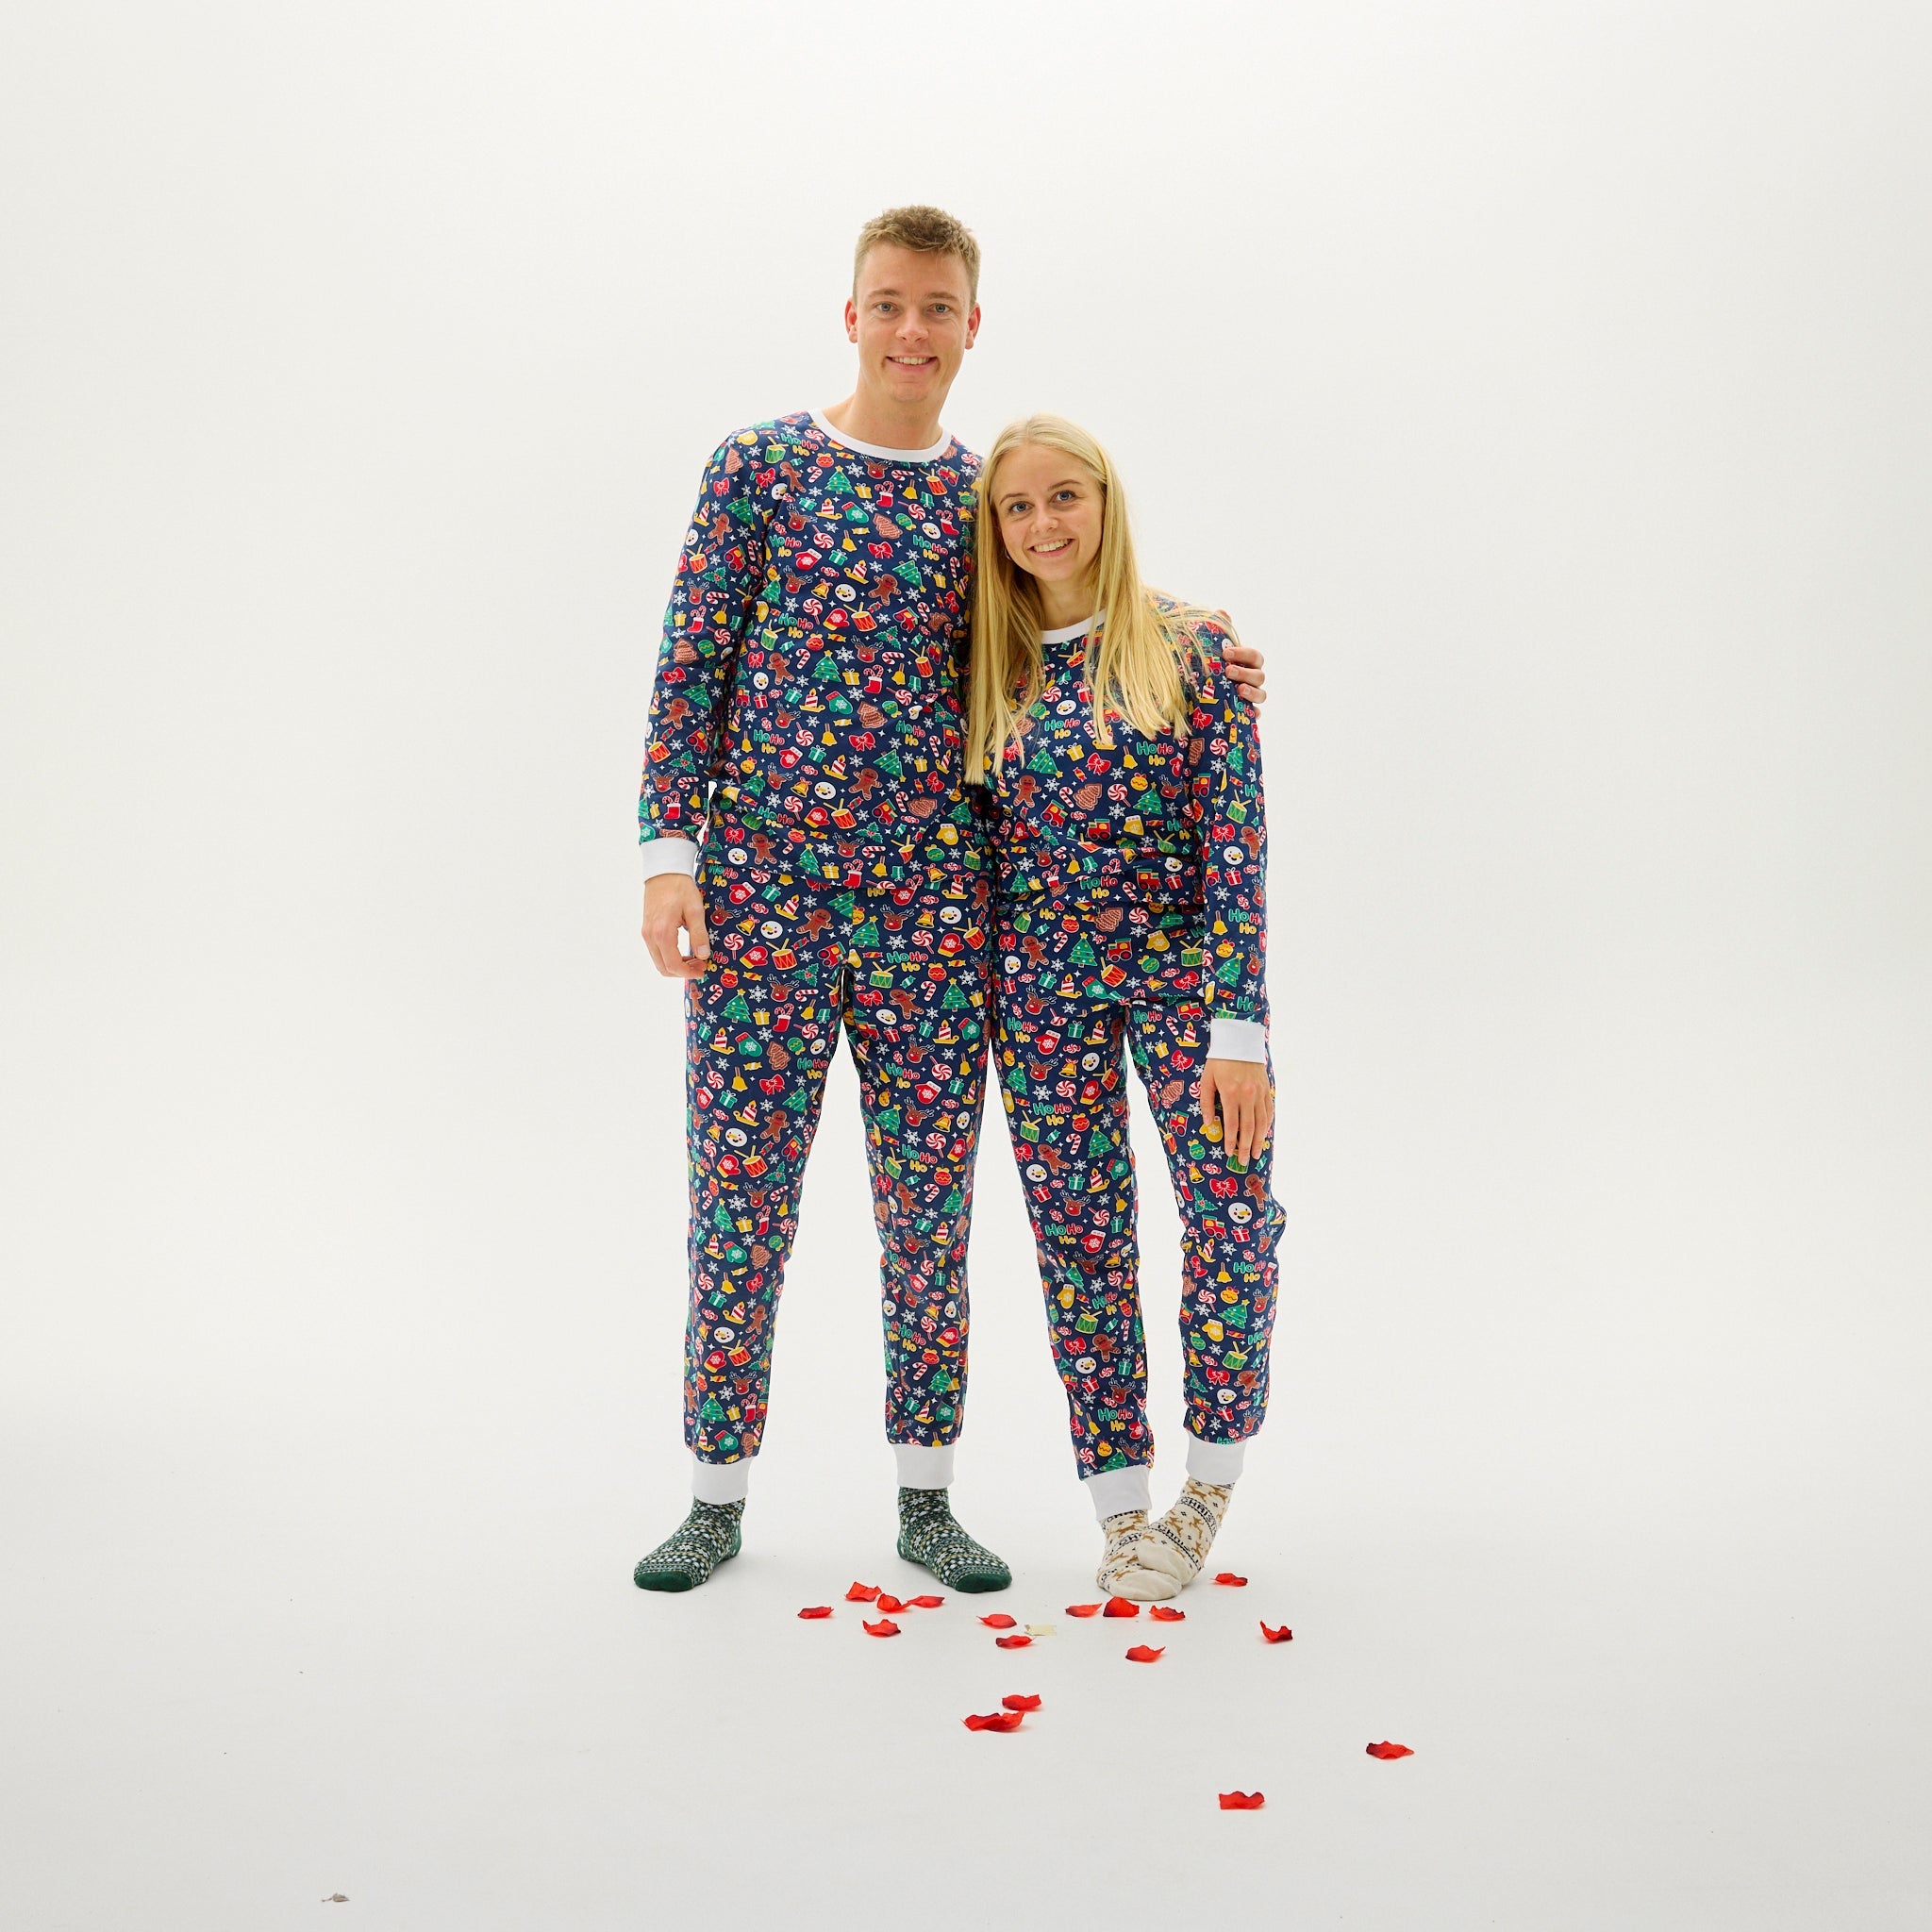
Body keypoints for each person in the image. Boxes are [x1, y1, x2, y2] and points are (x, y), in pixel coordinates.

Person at [633, 209, 1267, 1592]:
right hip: (761, 908)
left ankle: (925, 1497)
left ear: (971, 326)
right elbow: (692, 661)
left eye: (936, 308)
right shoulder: (758, 467)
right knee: (738, 1205)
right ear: (850, 314)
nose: (910, 330)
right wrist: (666, 853)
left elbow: (1067, 600)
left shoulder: (982, 499)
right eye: (888, 303)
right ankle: (714, 1495)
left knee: (929, 1220)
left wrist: (1196, 635)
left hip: (938, 923)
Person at [968, 414, 1286, 1601]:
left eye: (1064, 495)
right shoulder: (989, 665)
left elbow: (1234, 844)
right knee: (1080, 1238)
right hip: (1039, 994)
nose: (1042, 522)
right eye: (1016, 505)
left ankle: (1206, 1486)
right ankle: (1118, 1504)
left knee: (1229, 1217)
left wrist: (1237, 1033)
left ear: (1105, 501)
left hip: (1183, 983)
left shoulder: (1192, 646)